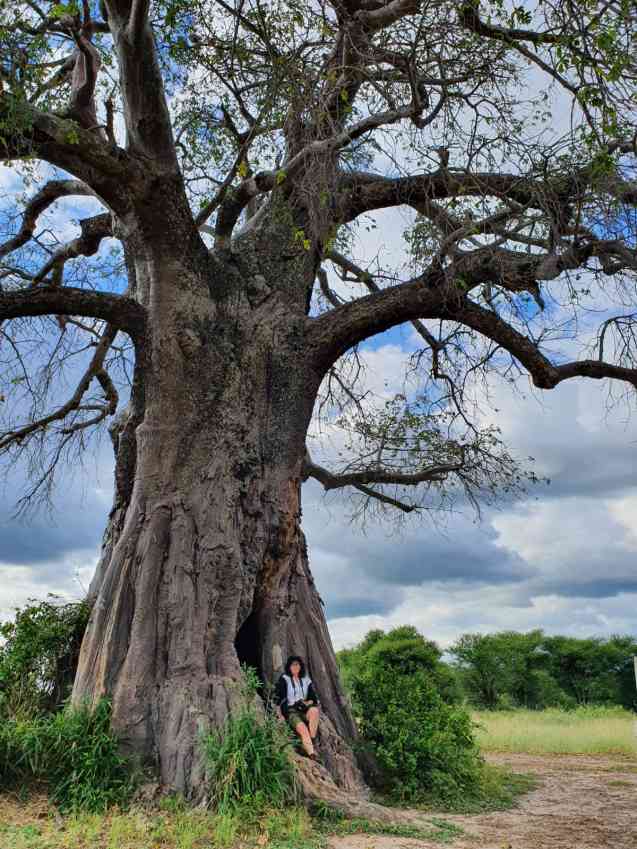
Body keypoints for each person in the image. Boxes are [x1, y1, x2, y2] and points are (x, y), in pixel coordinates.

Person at [274, 655, 321, 761]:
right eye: (293, 664)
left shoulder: (305, 680)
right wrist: (279, 714)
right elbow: (278, 698)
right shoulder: (284, 679)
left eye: (297, 664)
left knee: (314, 711)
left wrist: (306, 702)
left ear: (301, 666)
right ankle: (312, 754)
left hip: (304, 710)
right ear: (289, 667)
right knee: (303, 729)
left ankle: (311, 741)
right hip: (291, 711)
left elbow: (313, 698)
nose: (296, 667)